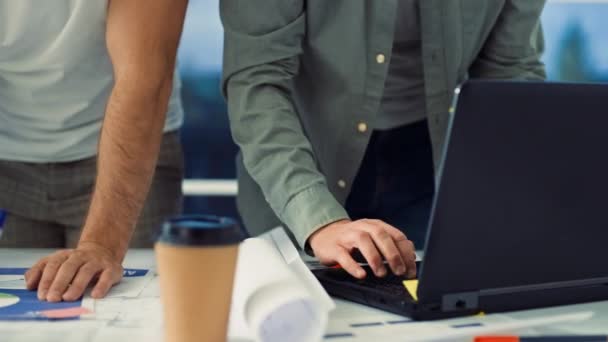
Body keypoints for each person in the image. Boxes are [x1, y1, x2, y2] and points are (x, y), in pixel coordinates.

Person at [221, 0, 546, 280]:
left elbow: (508, 71)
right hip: (301, 161)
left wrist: (516, 202)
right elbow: (256, 82)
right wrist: (317, 219)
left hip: (431, 164)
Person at [0, 0, 188, 301]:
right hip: (8, 159)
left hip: (129, 156)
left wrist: (102, 246)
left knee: (131, 313)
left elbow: (144, 77)